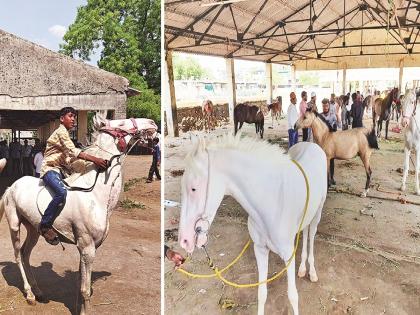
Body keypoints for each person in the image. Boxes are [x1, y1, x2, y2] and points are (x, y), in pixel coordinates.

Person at [39, 107, 108, 245]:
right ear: (62, 118)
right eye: (70, 116)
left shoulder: (66, 134)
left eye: (74, 117)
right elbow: (72, 151)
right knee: (61, 193)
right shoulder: (61, 132)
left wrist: (88, 164)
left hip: (61, 170)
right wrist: (94, 159)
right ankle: (45, 225)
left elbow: (70, 159)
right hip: (50, 170)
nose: (73, 119)